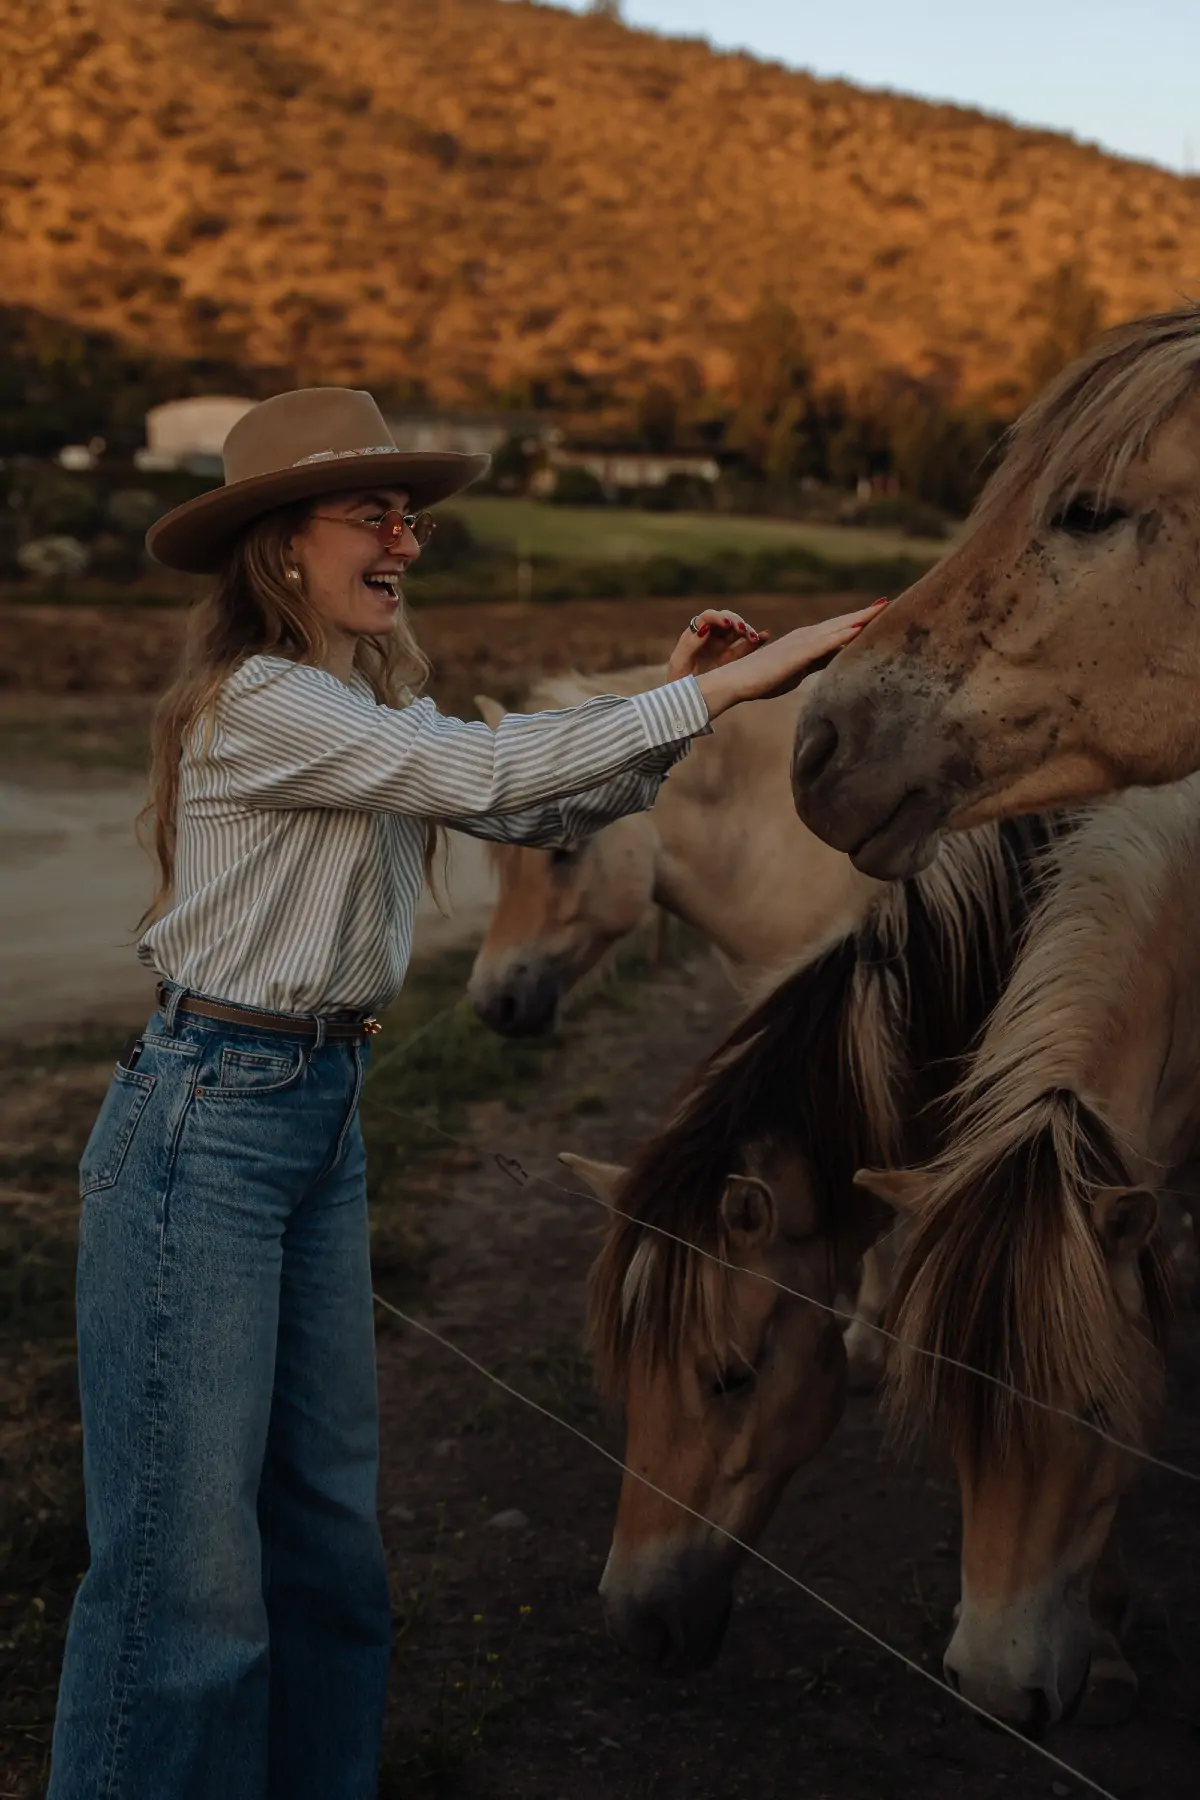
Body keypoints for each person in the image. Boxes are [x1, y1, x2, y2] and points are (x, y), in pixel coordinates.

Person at [48, 388, 885, 1800]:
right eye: (370, 513)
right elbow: (483, 767)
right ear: (277, 545)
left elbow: (527, 807)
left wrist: (662, 720)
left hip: (314, 1122)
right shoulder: (263, 702)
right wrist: (732, 685)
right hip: (211, 1126)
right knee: (187, 1599)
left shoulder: (360, 706)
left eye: (410, 514)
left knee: (330, 1565)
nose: (403, 537)